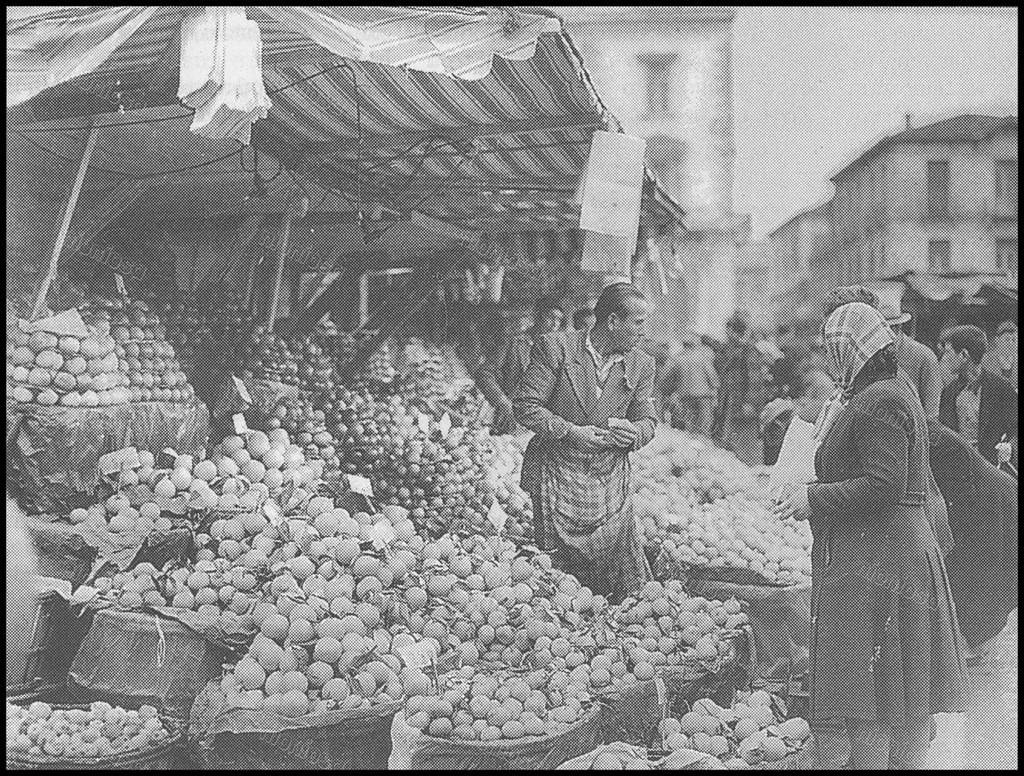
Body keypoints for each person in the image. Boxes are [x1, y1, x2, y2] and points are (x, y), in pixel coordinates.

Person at [774, 302, 966, 769]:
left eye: (832, 348)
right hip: (888, 550)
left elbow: (883, 485)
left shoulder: (881, 400)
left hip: (886, 554)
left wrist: (813, 498)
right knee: (895, 684)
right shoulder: (884, 390)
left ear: (850, 350)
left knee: (880, 686)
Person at [513, 281, 658, 603]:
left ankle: (618, 616)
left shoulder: (641, 364)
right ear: (612, 321)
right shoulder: (556, 348)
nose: (643, 332)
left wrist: (636, 434)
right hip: (558, 475)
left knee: (613, 565)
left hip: (608, 480)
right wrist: (570, 431)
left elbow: (648, 419)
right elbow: (525, 405)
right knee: (561, 573)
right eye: (638, 323)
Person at [928, 418, 1018, 659]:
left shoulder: (936, 441)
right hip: (985, 498)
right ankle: (973, 641)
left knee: (982, 569)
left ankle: (975, 644)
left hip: (994, 501)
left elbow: (961, 497)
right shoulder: (926, 431)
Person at [475, 296, 565, 436]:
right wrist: (502, 401)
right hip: (511, 425)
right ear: (538, 316)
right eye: (550, 317)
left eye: (559, 320)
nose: (554, 324)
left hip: (542, 428)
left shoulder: (558, 353)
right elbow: (484, 373)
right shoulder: (514, 343)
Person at [938, 325, 1018, 467]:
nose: (944, 357)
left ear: (963, 355)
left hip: (993, 472)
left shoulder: (1001, 388)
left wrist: (1010, 447)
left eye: (948, 352)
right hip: (958, 472)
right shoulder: (948, 393)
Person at [660, 332, 719, 436]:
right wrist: (715, 389)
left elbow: (666, 378)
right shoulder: (702, 357)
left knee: (690, 426)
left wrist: (668, 392)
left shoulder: (676, 358)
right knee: (704, 426)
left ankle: (692, 447)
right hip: (703, 396)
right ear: (695, 345)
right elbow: (712, 377)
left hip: (685, 396)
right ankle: (703, 447)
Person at [981, 320, 1018, 389]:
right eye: (1007, 339)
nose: (1010, 343)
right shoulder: (985, 360)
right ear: (997, 340)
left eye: (1014, 340)